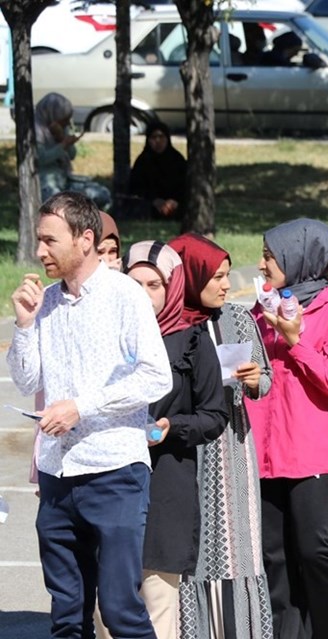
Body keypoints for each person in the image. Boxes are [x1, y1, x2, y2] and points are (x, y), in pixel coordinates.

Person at [7, 192, 172, 638]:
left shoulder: (125, 296)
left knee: (120, 611)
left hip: (114, 471)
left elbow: (157, 378)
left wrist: (82, 406)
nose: (39, 251)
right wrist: (23, 325)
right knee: (67, 618)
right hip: (58, 474)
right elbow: (26, 382)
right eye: (39, 241)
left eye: (49, 240)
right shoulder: (46, 302)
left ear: (84, 239)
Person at [243, 219, 328, 639]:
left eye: (270, 255)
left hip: (311, 449)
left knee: (315, 549)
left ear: (299, 259)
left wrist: (296, 342)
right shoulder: (261, 309)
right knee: (275, 555)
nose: (263, 264)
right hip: (264, 449)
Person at [167, 233, 275, 639]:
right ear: (190, 277)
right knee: (192, 551)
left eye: (227, 276)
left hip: (233, 447)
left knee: (239, 548)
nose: (226, 285)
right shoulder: (171, 324)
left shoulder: (237, 318)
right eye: (216, 277)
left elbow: (265, 379)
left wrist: (252, 380)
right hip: (187, 451)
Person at [122, 241, 229, 639]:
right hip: (110, 480)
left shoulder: (191, 340)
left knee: (158, 601)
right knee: (109, 601)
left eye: (154, 284)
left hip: (167, 479)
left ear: (172, 287)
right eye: (135, 284)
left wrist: (172, 426)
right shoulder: (109, 333)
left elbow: (214, 414)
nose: (144, 295)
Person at [35, 93, 112, 210]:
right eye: (63, 120)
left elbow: (72, 155)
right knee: (57, 203)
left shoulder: (61, 128)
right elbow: (41, 159)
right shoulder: (36, 131)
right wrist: (63, 145)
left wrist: (63, 138)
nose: (66, 123)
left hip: (65, 179)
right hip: (46, 184)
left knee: (102, 194)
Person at [128, 121, 187, 220]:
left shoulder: (177, 159)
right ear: (148, 140)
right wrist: (154, 200)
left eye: (161, 137)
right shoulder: (143, 161)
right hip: (151, 206)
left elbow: (185, 185)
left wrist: (174, 201)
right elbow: (136, 187)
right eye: (154, 137)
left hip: (174, 205)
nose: (158, 141)